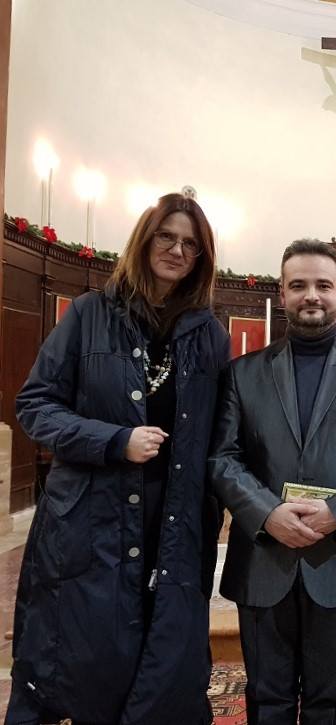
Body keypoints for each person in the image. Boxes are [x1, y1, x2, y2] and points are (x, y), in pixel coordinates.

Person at [6, 192, 229, 724]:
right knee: (89, 658)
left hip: (174, 519)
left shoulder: (210, 336)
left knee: (166, 657)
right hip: (93, 517)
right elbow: (34, 406)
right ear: (144, 240)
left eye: (190, 244)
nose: (177, 250)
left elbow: (225, 434)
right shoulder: (89, 315)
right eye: (166, 236)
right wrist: (113, 440)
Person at [208, 238, 336, 725]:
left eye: (322, 284)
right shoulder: (242, 373)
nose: (311, 295)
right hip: (264, 556)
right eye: (298, 285)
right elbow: (223, 458)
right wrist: (266, 514)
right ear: (282, 293)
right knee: (266, 697)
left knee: (327, 698)